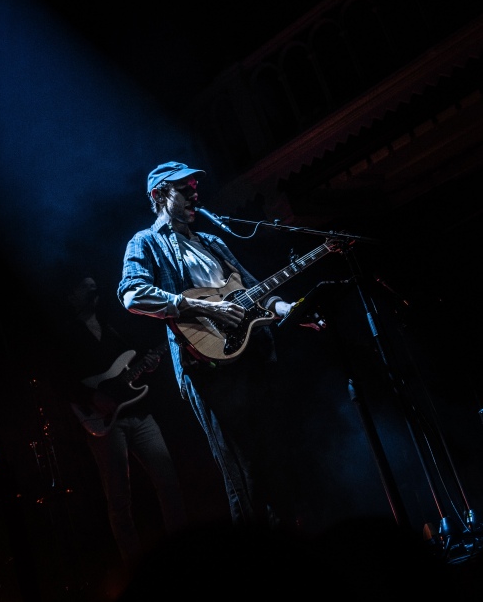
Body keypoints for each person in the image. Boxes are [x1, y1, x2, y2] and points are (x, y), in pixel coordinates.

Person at [117, 160, 324, 531]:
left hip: (254, 355)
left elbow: (254, 289)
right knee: (243, 470)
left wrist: (288, 309)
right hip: (208, 366)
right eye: (184, 188)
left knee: (279, 457)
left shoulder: (213, 241)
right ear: (158, 195)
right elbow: (132, 294)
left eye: (195, 186)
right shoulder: (145, 242)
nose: (195, 192)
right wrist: (199, 305)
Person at [51, 269, 188, 575]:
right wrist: (91, 398)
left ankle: (182, 550)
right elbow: (59, 381)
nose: (94, 293)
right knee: (119, 498)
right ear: (72, 295)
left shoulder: (111, 325)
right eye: (88, 290)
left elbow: (130, 362)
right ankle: (133, 568)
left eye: (95, 289)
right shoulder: (65, 334)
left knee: (168, 482)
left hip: (138, 413)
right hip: (104, 421)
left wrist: (147, 364)